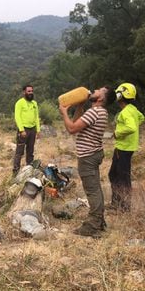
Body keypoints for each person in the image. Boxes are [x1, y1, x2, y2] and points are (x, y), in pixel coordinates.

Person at [59, 86, 116, 237]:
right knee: (96, 188)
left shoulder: (95, 112)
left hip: (88, 157)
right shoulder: (99, 112)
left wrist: (64, 113)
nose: (95, 90)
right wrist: (80, 106)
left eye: (99, 90)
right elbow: (78, 121)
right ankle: (99, 221)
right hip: (94, 154)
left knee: (92, 190)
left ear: (101, 98)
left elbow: (72, 129)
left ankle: (93, 226)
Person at [108, 83, 144, 212]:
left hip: (123, 148)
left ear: (121, 95)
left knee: (119, 177)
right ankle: (118, 204)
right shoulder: (132, 109)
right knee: (118, 175)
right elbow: (141, 118)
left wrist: (118, 133)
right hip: (128, 147)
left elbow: (131, 127)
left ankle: (122, 206)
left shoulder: (125, 112)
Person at [13, 84, 41, 176]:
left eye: (32, 91)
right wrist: (21, 130)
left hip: (32, 130)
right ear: (24, 92)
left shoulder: (34, 103)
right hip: (24, 130)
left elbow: (36, 117)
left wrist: (38, 130)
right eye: (29, 91)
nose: (30, 93)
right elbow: (17, 117)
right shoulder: (19, 103)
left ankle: (29, 170)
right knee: (19, 151)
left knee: (30, 150)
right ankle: (16, 171)